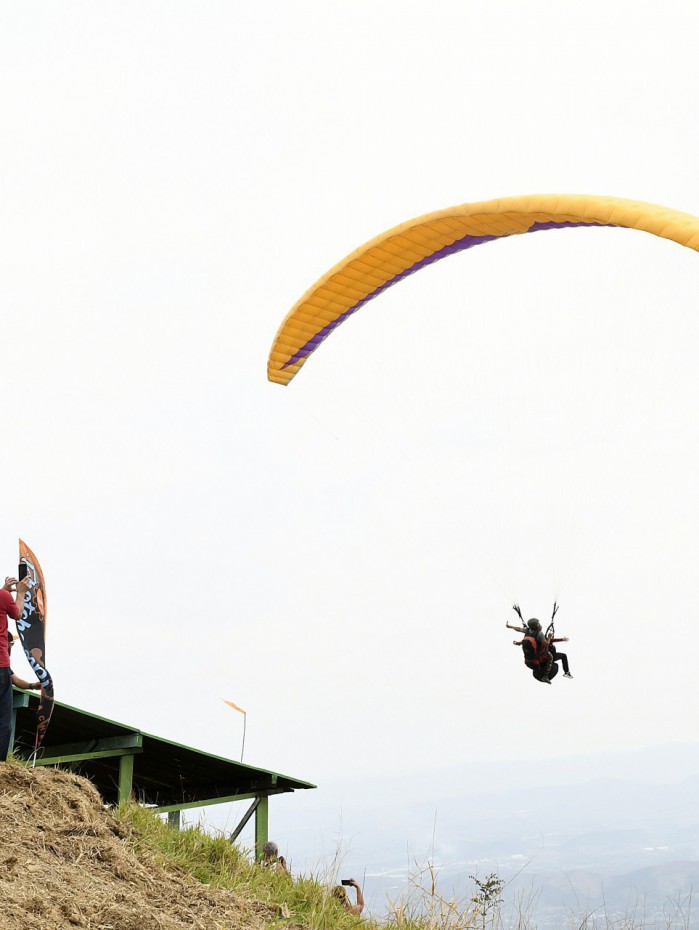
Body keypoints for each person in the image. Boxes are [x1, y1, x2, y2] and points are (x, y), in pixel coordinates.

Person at [1, 574, 31, 762]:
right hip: (0, 666)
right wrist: (20, 593)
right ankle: (1, 764)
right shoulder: (3, 598)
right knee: (3, 719)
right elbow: (18, 613)